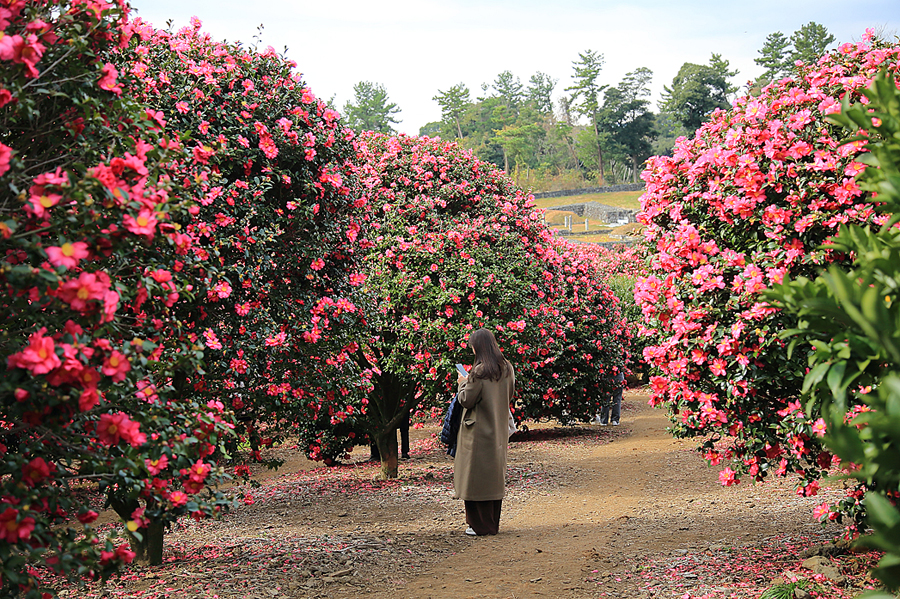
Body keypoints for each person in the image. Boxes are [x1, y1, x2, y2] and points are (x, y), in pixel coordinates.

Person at [453, 328, 515, 536]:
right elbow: (510, 394)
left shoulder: (479, 372)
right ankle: (491, 524)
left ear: (478, 347)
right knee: (493, 479)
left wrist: (462, 384)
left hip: (477, 431)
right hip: (497, 429)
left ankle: (478, 525)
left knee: (474, 478)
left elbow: (466, 400)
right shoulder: (506, 368)